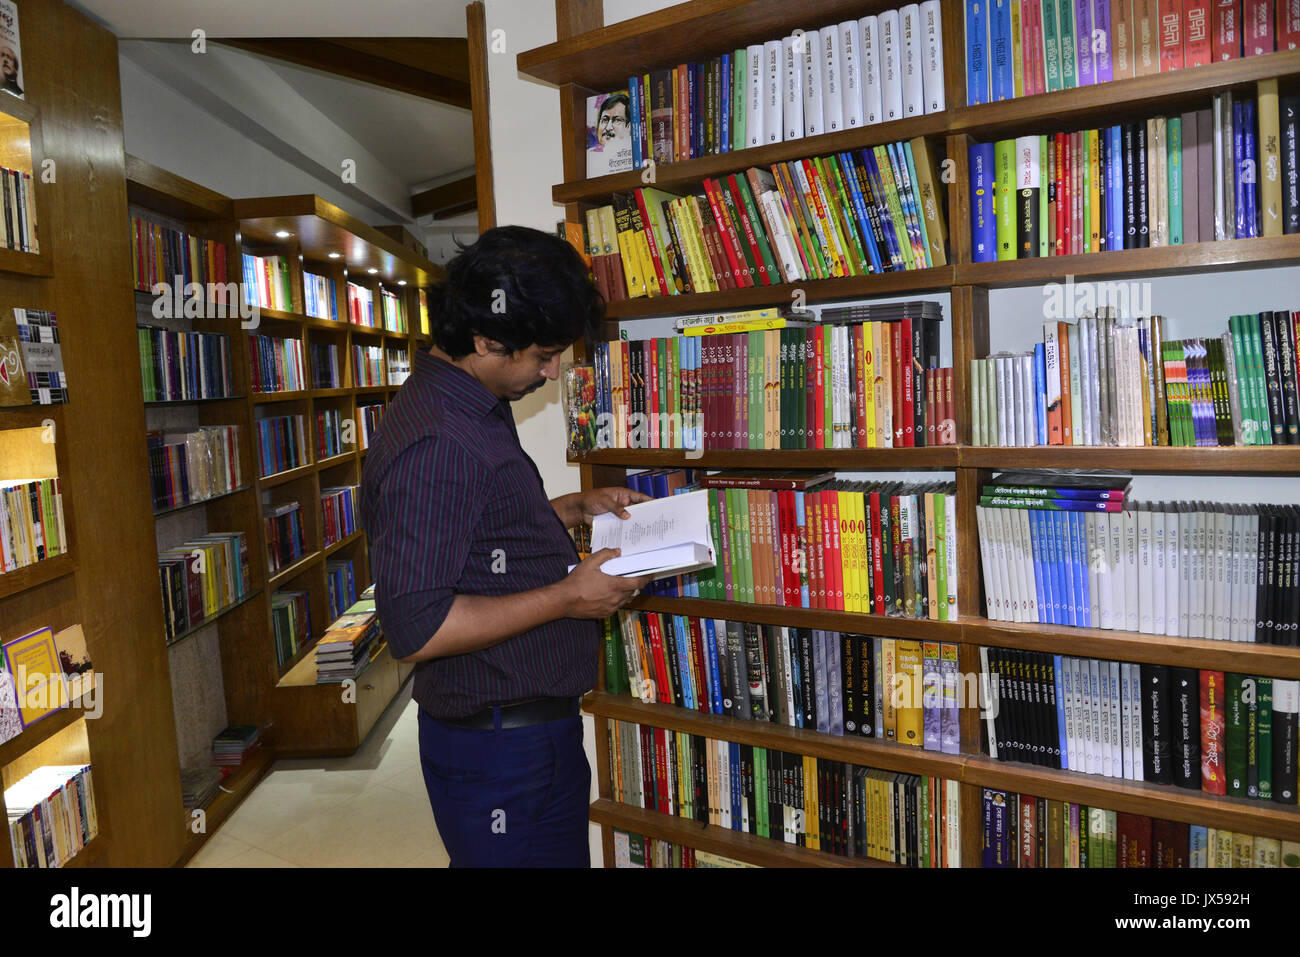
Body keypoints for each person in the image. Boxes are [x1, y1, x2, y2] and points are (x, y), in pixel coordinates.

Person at [359, 225, 651, 867]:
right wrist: (569, 597)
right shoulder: (438, 440)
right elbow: (418, 627)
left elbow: (466, 533)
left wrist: (570, 509)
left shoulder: (470, 402)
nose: (551, 373)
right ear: (488, 339)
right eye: (544, 355)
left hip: (523, 737)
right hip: (500, 755)